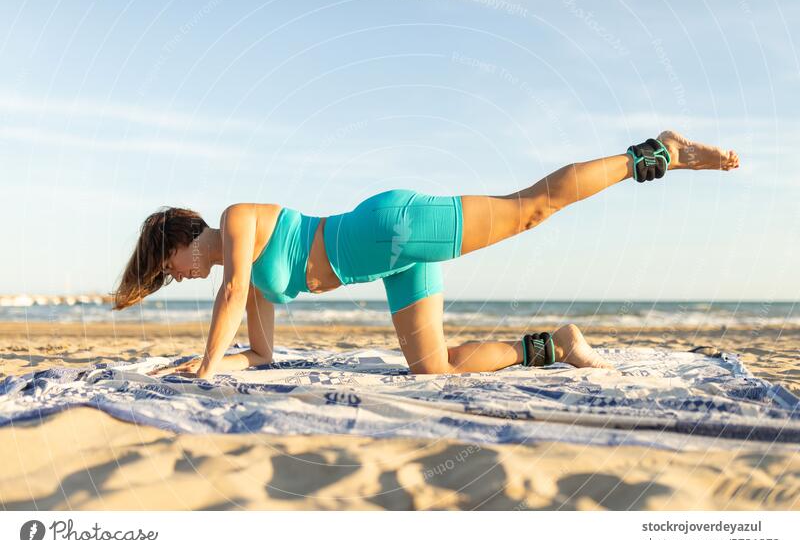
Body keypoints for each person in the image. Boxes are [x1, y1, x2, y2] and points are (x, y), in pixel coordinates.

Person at [112, 130, 739, 379]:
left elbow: (225, 305)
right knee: (431, 370)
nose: (179, 276)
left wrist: (202, 369)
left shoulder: (236, 221)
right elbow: (262, 355)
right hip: (391, 261)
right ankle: (558, 343)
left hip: (390, 227)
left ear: (179, 242)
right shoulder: (246, 282)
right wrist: (198, 367)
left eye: (168, 270)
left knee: (529, 208)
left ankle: (655, 154)